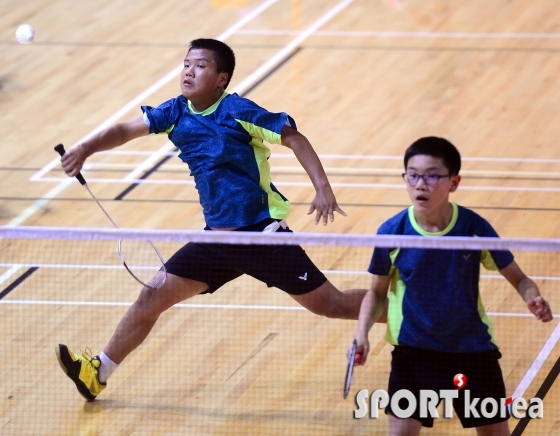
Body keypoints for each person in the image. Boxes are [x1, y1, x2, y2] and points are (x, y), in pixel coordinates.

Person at [55, 38, 371, 402]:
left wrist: (323, 188)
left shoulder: (237, 110)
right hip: (216, 242)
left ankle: (407, 310)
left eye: (201, 65)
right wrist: (84, 148)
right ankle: (97, 373)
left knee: (332, 305)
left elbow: (294, 138)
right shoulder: (175, 112)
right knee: (151, 298)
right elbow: (125, 130)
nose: (189, 71)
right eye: (186, 63)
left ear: (221, 78)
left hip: (261, 237)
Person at [352, 137, 553, 436]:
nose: (421, 184)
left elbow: (519, 278)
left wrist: (532, 296)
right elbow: (376, 292)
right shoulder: (392, 232)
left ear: (454, 182)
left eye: (432, 175)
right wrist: (361, 333)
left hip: (472, 350)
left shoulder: (473, 229)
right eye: (413, 174)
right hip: (414, 352)